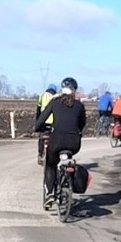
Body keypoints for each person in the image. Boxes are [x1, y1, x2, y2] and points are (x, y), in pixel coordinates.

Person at [34, 76, 86, 209]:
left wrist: (38, 128)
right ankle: (68, 182)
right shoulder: (79, 105)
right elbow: (82, 124)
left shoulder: (55, 102)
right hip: (74, 143)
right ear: (74, 90)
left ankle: (50, 193)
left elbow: (41, 119)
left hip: (56, 141)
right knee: (68, 159)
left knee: (51, 165)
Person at [35, 83, 58, 164]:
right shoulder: (56, 97)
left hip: (43, 121)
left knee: (42, 137)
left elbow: (38, 109)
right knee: (55, 138)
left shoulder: (42, 95)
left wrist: (37, 121)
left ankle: (40, 154)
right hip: (54, 122)